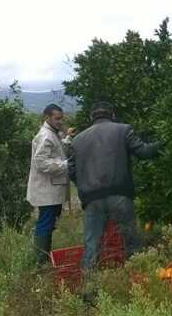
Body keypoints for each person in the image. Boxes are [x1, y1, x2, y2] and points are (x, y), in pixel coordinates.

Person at [68, 101, 161, 271]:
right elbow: (144, 152)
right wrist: (164, 141)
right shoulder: (123, 130)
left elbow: (71, 170)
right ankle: (136, 281)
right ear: (112, 115)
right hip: (119, 195)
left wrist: (84, 185)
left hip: (91, 199)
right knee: (131, 241)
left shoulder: (78, 140)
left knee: (91, 246)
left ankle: (89, 289)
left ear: (91, 117)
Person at [26, 103, 75, 264]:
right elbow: (41, 162)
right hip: (46, 190)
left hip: (51, 189)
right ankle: (40, 262)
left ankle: (45, 258)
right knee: (45, 222)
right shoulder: (45, 135)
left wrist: (67, 139)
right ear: (47, 118)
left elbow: (56, 150)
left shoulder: (52, 133)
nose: (60, 121)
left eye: (62, 118)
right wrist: (64, 165)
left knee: (49, 221)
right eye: (57, 118)